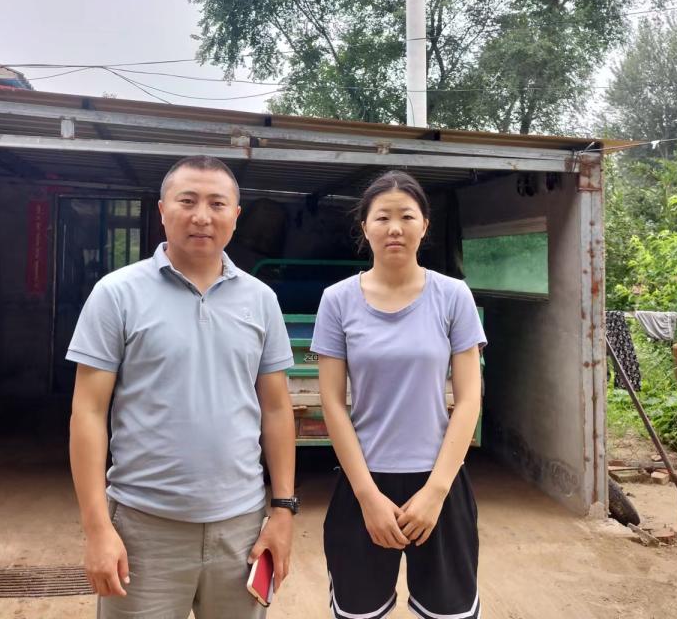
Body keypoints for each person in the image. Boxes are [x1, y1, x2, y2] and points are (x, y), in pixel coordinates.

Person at [68, 155, 299, 619]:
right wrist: (97, 529)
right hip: (143, 528)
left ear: (236, 215)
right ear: (162, 210)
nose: (202, 216)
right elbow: (88, 412)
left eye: (217, 204)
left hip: (241, 531)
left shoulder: (261, 300)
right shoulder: (117, 294)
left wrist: (282, 511)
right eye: (187, 201)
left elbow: (276, 409)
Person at [312, 170, 486, 619]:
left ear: (424, 225)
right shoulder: (337, 300)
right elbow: (332, 402)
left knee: (450, 613)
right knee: (358, 612)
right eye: (382, 217)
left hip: (439, 482)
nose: (394, 228)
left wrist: (436, 492)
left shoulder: (453, 296)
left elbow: (469, 398)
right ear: (365, 227)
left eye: (406, 216)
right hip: (364, 484)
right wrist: (367, 497)